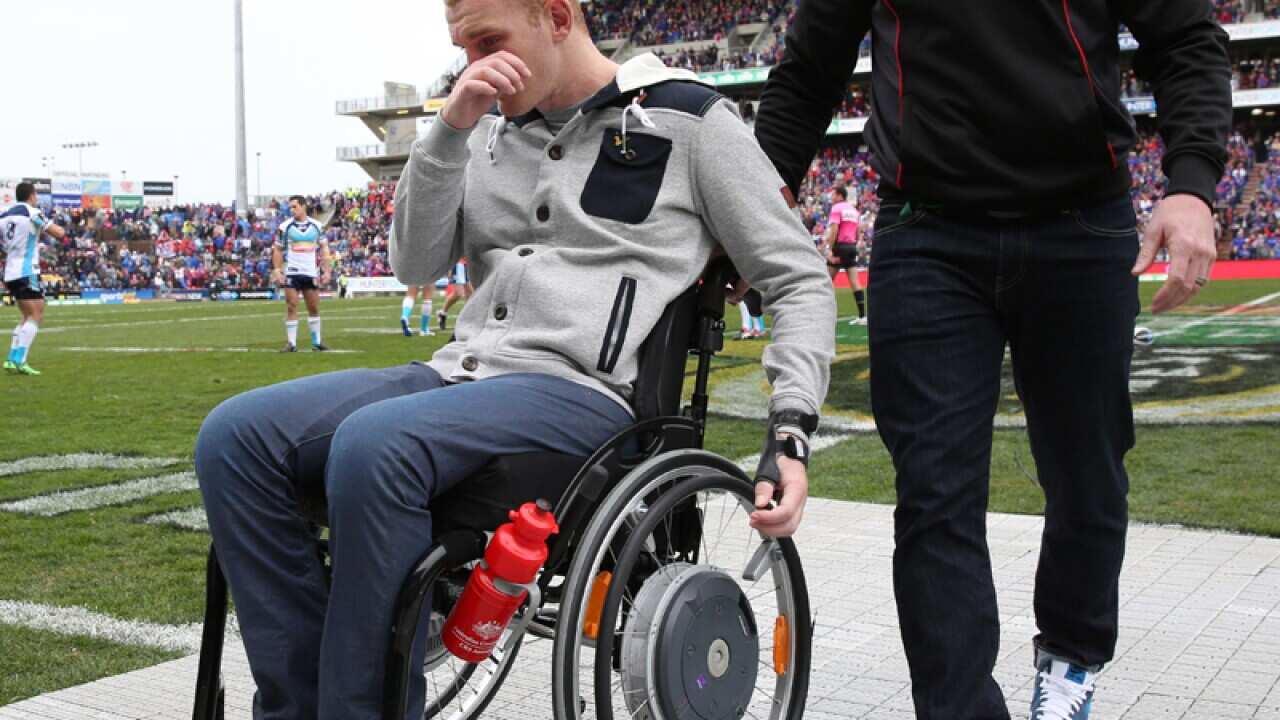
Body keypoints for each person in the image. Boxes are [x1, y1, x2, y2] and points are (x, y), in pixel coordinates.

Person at [194, 0, 835, 717]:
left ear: (556, 17)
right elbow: (413, 262)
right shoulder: (484, 130)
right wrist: (448, 131)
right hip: (458, 375)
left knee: (375, 447)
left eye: (488, 41)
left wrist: (790, 430)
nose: (475, 65)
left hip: (583, 395)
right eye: (463, 48)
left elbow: (798, 277)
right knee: (233, 439)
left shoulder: (689, 121)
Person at [755, 1, 1229, 718]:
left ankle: (1070, 664)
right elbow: (809, 70)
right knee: (934, 496)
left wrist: (1192, 182)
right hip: (927, 229)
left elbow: (1186, 35)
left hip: (1081, 218)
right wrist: (752, 209)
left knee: (1087, 474)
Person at [3, 183, 66, 375]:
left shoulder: (4, 216)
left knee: (26, 315)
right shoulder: (32, 212)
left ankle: (11, 359)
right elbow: (59, 233)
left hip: (10, 272)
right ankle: (20, 360)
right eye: (36, 195)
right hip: (26, 271)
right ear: (31, 195)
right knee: (36, 314)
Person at [272, 196, 332, 352]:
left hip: (310, 272)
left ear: (303, 206)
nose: (292, 210)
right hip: (292, 272)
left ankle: (317, 342)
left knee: (313, 307)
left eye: (295, 206)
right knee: (291, 305)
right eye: (290, 207)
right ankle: (291, 344)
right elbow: (277, 249)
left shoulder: (317, 226)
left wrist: (327, 270)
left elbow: (325, 249)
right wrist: (277, 270)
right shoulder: (284, 227)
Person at [820, 187, 866, 325]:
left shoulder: (837, 208)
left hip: (839, 246)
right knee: (855, 282)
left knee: (826, 282)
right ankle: (862, 316)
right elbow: (858, 232)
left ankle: (824, 314)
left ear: (840, 195)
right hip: (851, 247)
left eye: (833, 194)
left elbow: (834, 230)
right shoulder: (854, 211)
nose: (831, 196)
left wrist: (830, 249)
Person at [436, 258, 473, 331]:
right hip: (457, 264)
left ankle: (468, 320)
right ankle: (442, 313)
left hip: (465, 264)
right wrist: (449, 267)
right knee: (459, 293)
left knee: (470, 294)